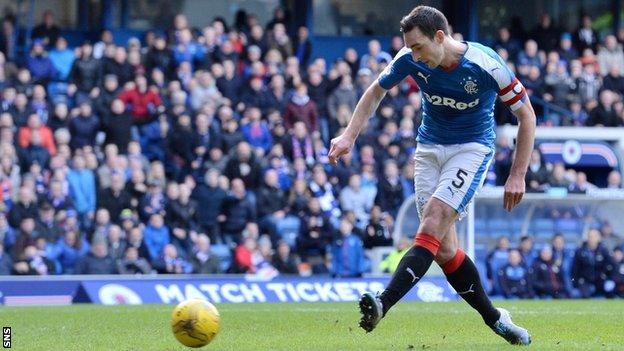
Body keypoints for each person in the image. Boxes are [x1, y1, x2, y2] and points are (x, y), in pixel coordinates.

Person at [328, 6, 535, 345]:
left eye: (419, 47)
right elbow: (376, 90)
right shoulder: (410, 58)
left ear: (441, 37)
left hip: (471, 148)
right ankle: (496, 319)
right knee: (442, 248)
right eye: (410, 47)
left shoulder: (486, 64)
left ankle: (383, 302)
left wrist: (518, 175)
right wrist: (349, 135)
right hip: (428, 149)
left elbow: (526, 115)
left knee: (433, 221)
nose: (414, 55)